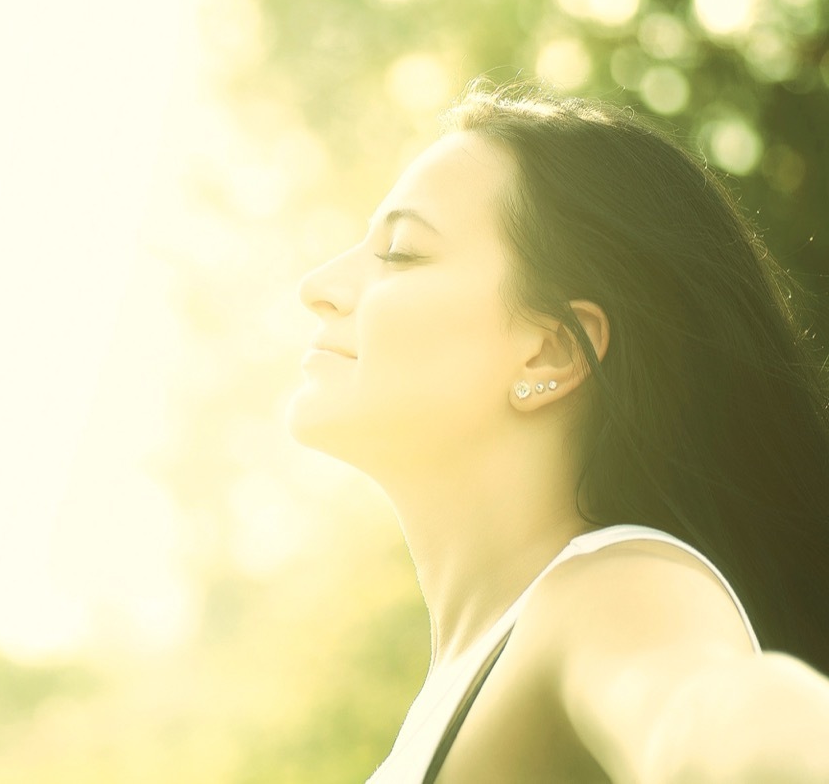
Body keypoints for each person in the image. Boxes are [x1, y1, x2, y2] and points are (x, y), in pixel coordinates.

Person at [286, 81, 829, 782]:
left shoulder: (614, 588)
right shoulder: (469, 678)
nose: (317, 284)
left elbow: (722, 718)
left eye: (402, 252)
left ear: (552, 351)